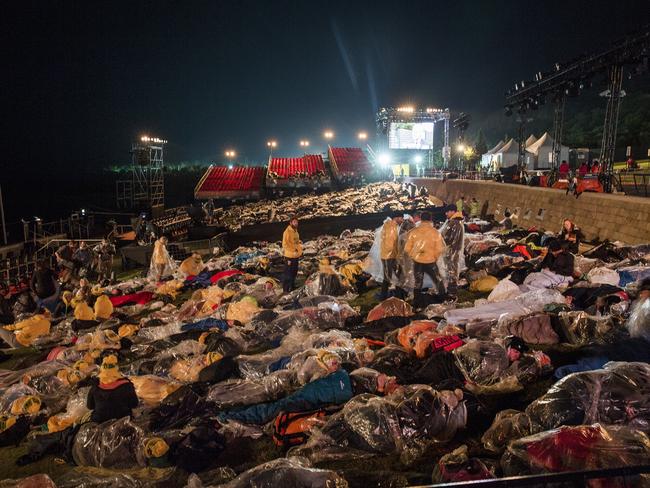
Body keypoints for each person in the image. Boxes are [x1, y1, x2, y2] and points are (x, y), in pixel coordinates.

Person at [403, 211, 445, 308]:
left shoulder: (413, 232)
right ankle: (443, 299)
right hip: (431, 262)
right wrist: (434, 257)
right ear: (430, 219)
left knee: (418, 282)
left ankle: (416, 302)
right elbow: (440, 249)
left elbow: (407, 248)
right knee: (438, 280)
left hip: (417, 262)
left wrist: (414, 256)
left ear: (421, 219)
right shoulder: (435, 232)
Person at [87, 355, 139, 423]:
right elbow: (134, 404)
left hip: (99, 421)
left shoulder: (95, 387)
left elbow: (90, 406)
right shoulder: (127, 385)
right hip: (123, 421)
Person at [440, 205, 464, 298]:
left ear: (452, 211)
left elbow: (447, 238)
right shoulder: (456, 222)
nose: (446, 214)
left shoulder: (455, 223)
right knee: (451, 270)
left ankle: (452, 293)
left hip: (451, 251)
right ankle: (451, 290)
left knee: (451, 271)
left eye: (447, 212)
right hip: (452, 251)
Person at [379, 213, 403, 299]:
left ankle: (397, 295)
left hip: (388, 256)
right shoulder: (391, 227)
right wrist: (397, 254)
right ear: (397, 218)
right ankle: (384, 296)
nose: (402, 220)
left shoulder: (390, 225)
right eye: (401, 218)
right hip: (388, 256)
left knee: (392, 277)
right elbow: (390, 244)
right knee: (388, 277)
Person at [282, 216, 302, 293]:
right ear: (290, 223)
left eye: (296, 222)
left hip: (296, 256)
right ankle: (285, 289)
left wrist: (299, 246)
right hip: (289, 256)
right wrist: (293, 250)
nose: (296, 223)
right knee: (288, 273)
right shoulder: (287, 232)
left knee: (294, 272)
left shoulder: (295, 231)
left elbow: (295, 242)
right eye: (294, 222)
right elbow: (285, 244)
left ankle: (292, 286)